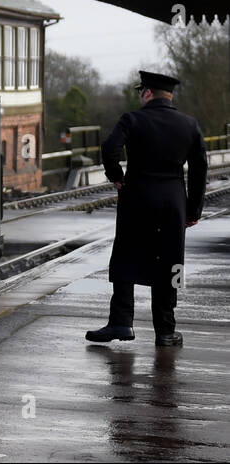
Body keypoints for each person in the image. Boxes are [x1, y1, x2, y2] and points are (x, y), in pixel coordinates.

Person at [86, 71, 207, 347]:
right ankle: (166, 330)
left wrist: (116, 175)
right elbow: (200, 168)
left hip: (136, 197)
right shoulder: (189, 124)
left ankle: (121, 322)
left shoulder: (132, 119)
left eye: (141, 91)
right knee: (171, 262)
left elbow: (109, 148)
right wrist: (193, 210)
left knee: (126, 256)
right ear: (170, 95)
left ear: (148, 93)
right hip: (173, 200)